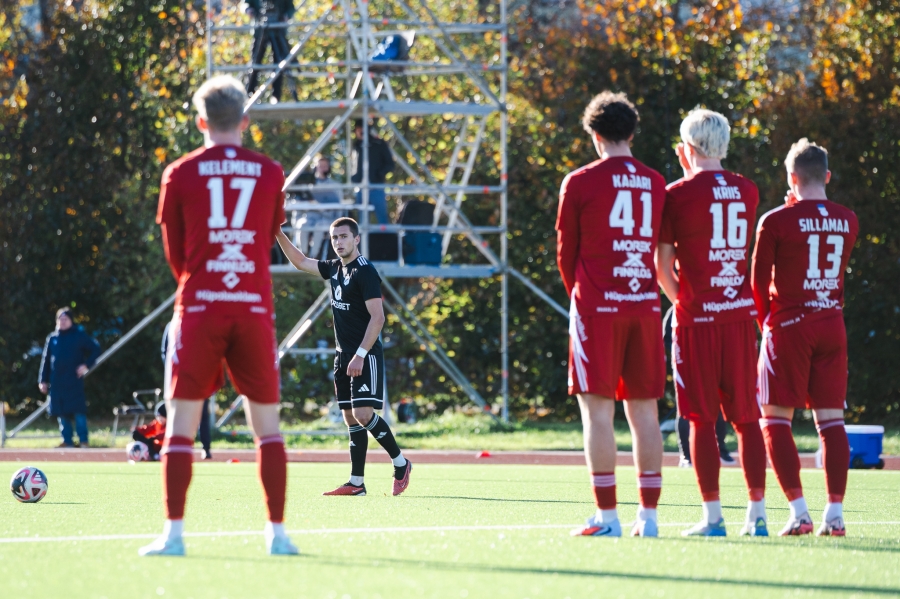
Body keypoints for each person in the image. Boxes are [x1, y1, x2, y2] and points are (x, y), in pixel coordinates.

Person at [142, 75, 297, 556]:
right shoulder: (270, 172)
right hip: (253, 307)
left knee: (181, 427)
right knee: (267, 429)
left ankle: (173, 535)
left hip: (200, 306)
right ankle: (277, 535)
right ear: (245, 121)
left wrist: (202, 284)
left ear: (200, 122)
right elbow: (268, 236)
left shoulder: (179, 173)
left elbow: (175, 253)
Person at [557, 92, 667, 538]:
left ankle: (607, 517)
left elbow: (565, 253)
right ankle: (650, 518)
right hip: (644, 306)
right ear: (632, 133)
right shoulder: (656, 182)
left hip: (597, 307)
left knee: (598, 414)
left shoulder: (580, 181)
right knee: (645, 413)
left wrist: (582, 295)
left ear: (595, 134)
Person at [656, 109, 769, 537]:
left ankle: (713, 516)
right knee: (747, 418)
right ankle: (757, 514)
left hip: (697, 318)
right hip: (738, 316)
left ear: (687, 148)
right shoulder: (747, 189)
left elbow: (662, 265)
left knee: (701, 419)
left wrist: (683, 302)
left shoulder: (676, 194)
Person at [752, 139, 858, 537]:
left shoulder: (775, 220)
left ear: (791, 178)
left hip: (790, 325)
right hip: (831, 323)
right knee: (832, 421)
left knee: (774, 418)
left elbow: (757, 284)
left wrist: (766, 325)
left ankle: (799, 512)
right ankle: (835, 514)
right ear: (827, 176)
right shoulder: (848, 219)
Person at [276, 217, 412, 497]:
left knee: (363, 415)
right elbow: (300, 261)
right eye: (335, 237)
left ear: (356, 239)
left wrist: (360, 354)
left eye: (344, 236)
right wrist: (276, 231)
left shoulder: (365, 271)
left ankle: (401, 463)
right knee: (350, 418)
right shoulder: (335, 268)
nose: (339, 242)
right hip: (343, 355)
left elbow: (378, 318)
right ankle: (356, 482)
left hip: (365, 354)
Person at [38, 308, 101, 448]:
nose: (62, 322)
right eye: (60, 319)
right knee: (61, 412)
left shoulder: (79, 335)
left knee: (79, 411)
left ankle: (83, 441)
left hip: (74, 381)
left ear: (71, 321)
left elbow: (96, 349)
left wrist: (86, 365)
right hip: (57, 382)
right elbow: (46, 361)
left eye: (65, 319)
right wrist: (42, 380)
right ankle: (67, 441)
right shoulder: (52, 338)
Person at [161, 322, 213, 460]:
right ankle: (176, 448)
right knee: (177, 413)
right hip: (180, 378)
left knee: (202, 413)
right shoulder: (172, 325)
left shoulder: (199, 323)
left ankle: (206, 448)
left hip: (199, 377)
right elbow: (165, 351)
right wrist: (173, 371)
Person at [245, 0, 297, 103]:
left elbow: (290, 8)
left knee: (279, 63)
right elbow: (246, 3)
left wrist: (286, 16)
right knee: (255, 62)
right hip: (260, 30)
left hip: (278, 30)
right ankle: (249, 94)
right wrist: (248, 10)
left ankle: (276, 96)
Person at [293, 155, 343, 260]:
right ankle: (303, 255)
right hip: (310, 216)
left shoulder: (335, 185)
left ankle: (314, 257)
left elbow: (339, 207)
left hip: (327, 217)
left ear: (329, 168)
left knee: (320, 226)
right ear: (315, 167)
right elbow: (298, 205)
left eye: (325, 166)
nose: (322, 169)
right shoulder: (307, 185)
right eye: (320, 166)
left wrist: (337, 224)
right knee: (302, 225)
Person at [351, 120, 394, 224]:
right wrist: (355, 178)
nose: (360, 132)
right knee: (362, 221)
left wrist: (378, 174)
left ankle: (385, 235)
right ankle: (363, 236)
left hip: (376, 187)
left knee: (382, 219)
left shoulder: (379, 144)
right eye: (358, 130)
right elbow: (354, 165)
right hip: (360, 188)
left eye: (362, 130)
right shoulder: (356, 146)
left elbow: (390, 164)